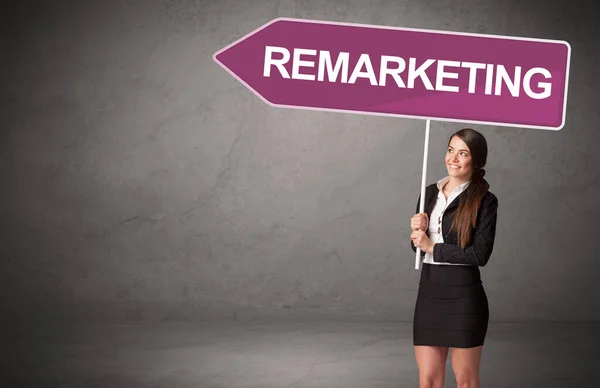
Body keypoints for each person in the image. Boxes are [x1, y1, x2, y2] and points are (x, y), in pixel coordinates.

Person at [409, 128, 499, 388]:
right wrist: (417, 233)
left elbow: (479, 254)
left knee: (466, 381)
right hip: (429, 292)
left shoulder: (485, 201)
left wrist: (431, 247)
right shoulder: (428, 193)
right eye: (451, 150)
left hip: (464, 296)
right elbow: (418, 248)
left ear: (476, 161)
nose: (454, 159)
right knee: (428, 380)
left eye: (463, 153)